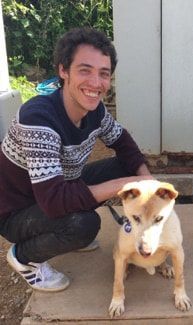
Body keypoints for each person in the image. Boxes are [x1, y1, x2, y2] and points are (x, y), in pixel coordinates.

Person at [0, 27, 153, 292]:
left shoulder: (95, 110)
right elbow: (55, 200)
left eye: (103, 74)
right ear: (63, 71)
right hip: (16, 211)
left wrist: (144, 176)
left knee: (125, 166)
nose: (96, 83)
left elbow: (123, 143)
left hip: (54, 188)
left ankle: (67, 229)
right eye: (85, 70)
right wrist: (127, 186)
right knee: (85, 225)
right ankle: (24, 257)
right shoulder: (38, 119)